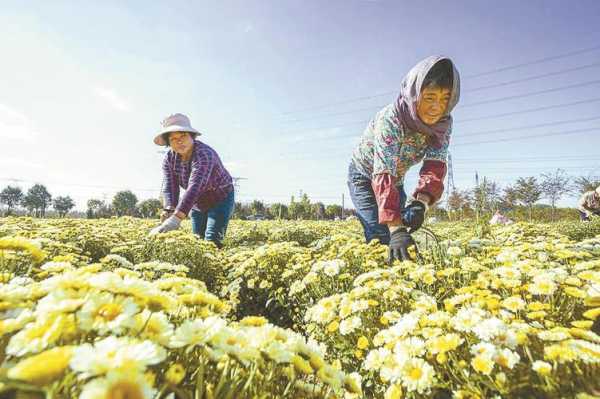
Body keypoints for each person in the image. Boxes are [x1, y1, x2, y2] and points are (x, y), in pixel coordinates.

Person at [347, 56, 460, 263]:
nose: (437, 107)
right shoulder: (391, 119)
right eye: (429, 97)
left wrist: (421, 203)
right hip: (365, 175)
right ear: (414, 94)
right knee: (381, 235)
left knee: (405, 225)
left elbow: (435, 165)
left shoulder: (443, 124)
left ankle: (401, 280)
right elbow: (383, 172)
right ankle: (377, 283)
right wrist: (395, 229)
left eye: (445, 99)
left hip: (395, 178)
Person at [149, 113, 235, 248]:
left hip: (220, 198)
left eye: (183, 136)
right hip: (197, 202)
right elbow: (170, 186)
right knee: (197, 240)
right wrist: (169, 209)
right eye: (173, 139)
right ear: (169, 143)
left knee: (212, 240)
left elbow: (195, 185)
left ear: (191, 136)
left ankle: (215, 267)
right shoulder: (169, 159)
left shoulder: (204, 154)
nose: (179, 141)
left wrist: (176, 219)